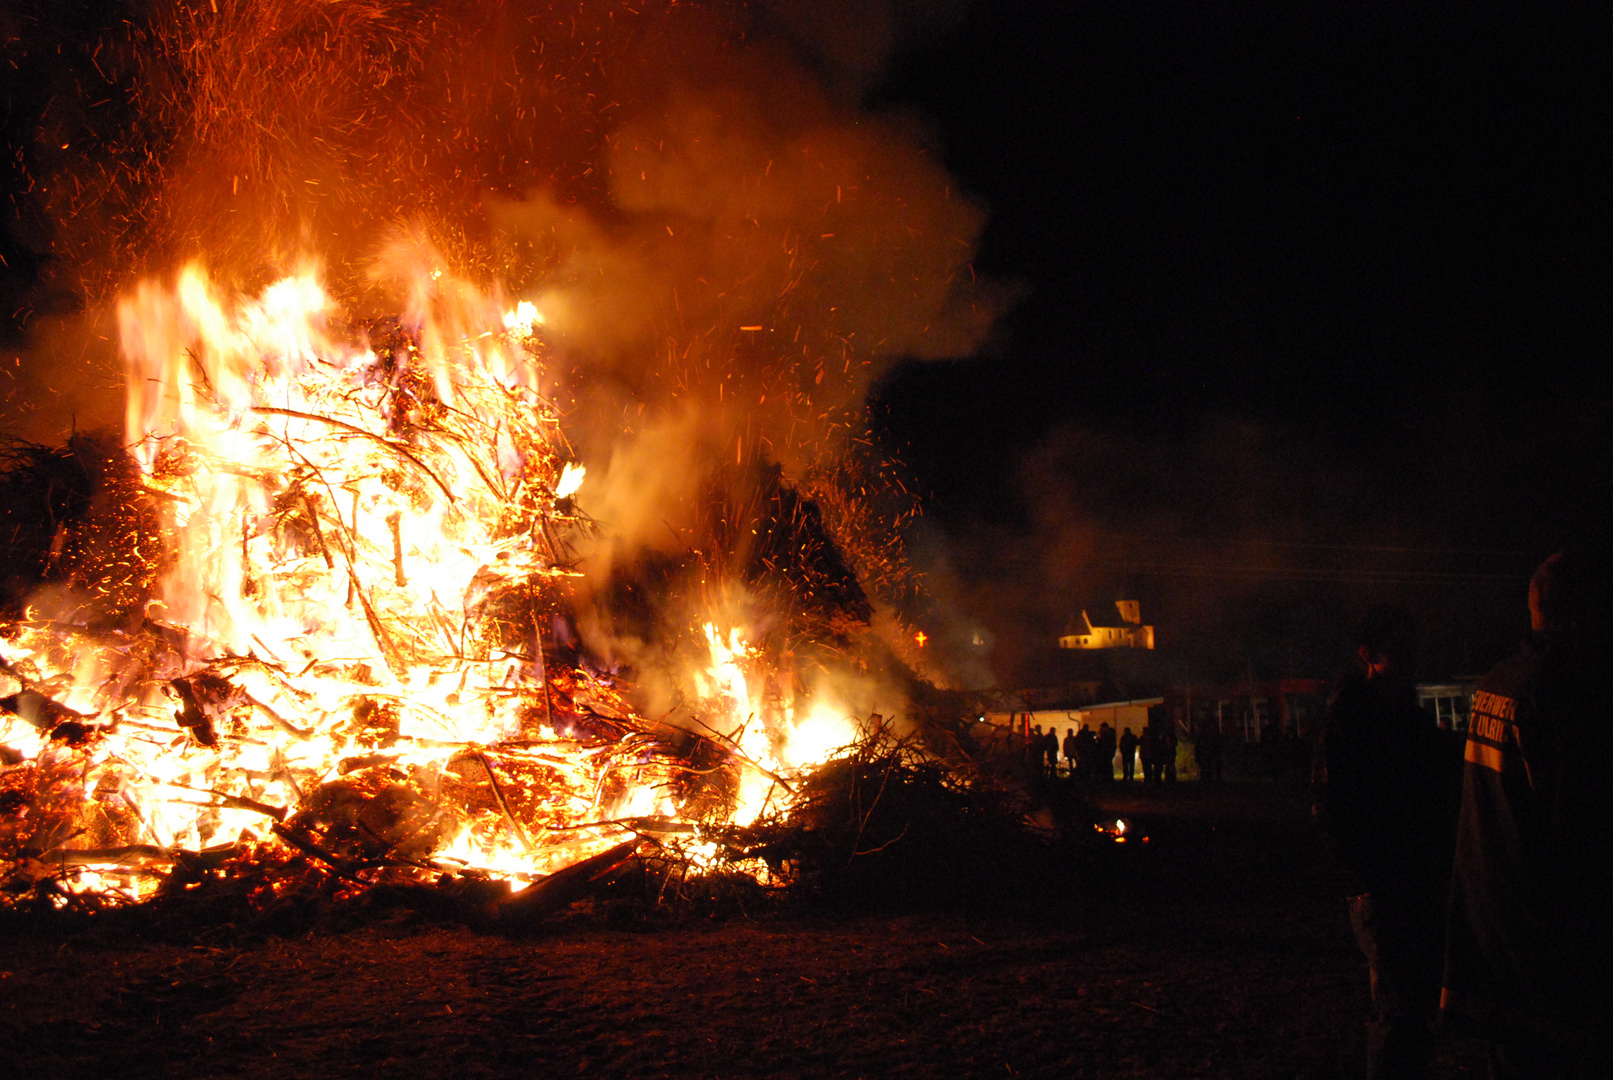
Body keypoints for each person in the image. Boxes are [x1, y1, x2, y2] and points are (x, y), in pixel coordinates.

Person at [1442, 550, 1613, 1078]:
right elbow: (1585, 835)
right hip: (1547, 948)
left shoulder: (1498, 681)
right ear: (1585, 613)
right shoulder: (1564, 694)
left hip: (1493, 926)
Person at [1312, 605, 1460, 1080]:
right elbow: (1329, 806)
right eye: (1400, 647)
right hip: (1385, 887)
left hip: (1415, 883)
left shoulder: (1405, 718)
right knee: (1398, 1010)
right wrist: (1364, 882)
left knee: (1412, 1008)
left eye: (1413, 645)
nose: (1412, 655)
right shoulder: (1352, 721)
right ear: (1368, 655)